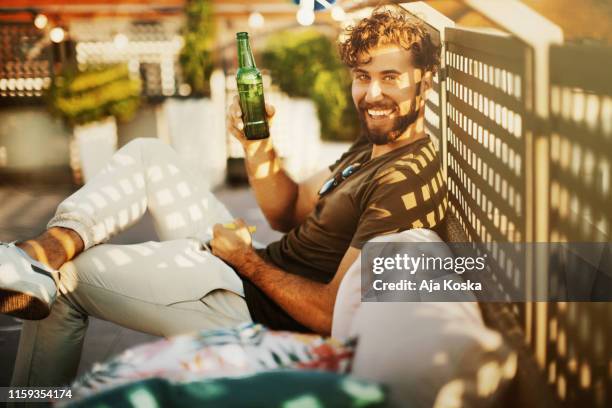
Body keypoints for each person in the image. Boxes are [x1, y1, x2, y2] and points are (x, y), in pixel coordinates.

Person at [0, 6, 447, 386]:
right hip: (252, 266)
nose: (372, 94)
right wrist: (255, 142)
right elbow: (285, 210)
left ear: (424, 80)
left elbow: (332, 315)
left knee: (67, 283)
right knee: (148, 153)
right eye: (362, 76)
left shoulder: (405, 181)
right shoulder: (371, 145)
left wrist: (245, 261)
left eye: (390, 77)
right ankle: (37, 254)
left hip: (251, 305)